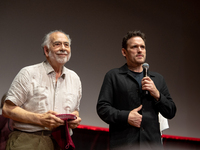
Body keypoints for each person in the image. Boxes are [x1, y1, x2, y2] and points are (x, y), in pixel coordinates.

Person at [2, 30, 82, 150]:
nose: (63, 48)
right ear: (46, 50)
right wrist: (40, 119)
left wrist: (75, 118)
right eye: (57, 44)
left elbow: (75, 110)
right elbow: (7, 109)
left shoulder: (75, 78)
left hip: (61, 142)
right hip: (28, 141)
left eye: (66, 45)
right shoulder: (28, 73)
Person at [96, 30, 176, 150]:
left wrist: (157, 94)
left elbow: (171, 111)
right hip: (124, 143)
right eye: (134, 47)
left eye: (142, 47)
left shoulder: (157, 79)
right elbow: (103, 108)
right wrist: (126, 116)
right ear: (124, 52)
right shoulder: (114, 76)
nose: (140, 50)